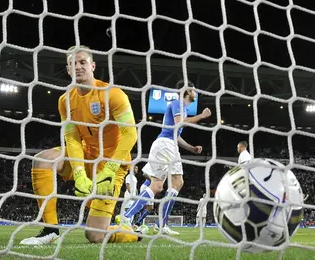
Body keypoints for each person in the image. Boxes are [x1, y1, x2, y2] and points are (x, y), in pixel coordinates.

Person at [20, 45, 146, 245]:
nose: (77, 66)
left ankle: (133, 233)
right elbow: (72, 138)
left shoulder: (113, 94)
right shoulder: (65, 101)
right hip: (85, 155)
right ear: (68, 69)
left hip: (112, 163)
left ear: (92, 66)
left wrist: (111, 168)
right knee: (43, 160)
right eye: (72, 63)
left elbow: (130, 133)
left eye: (82, 62)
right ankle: (50, 230)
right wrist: (78, 171)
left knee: (94, 236)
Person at [121, 80, 211, 235]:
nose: (196, 91)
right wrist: (201, 116)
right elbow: (179, 124)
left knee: (161, 185)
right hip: (166, 145)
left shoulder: (182, 107)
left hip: (167, 144)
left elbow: (176, 134)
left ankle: (142, 220)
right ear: (187, 91)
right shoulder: (178, 103)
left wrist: (191, 148)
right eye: (194, 89)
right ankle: (144, 221)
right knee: (171, 182)